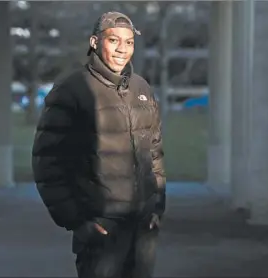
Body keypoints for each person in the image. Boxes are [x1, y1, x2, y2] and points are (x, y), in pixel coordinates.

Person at [31, 11, 166, 278]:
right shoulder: (72, 89)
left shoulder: (141, 88)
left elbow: (154, 150)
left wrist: (157, 207)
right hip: (101, 229)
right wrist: (77, 221)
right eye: (114, 40)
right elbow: (47, 162)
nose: (122, 49)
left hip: (142, 228)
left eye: (129, 42)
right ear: (94, 42)